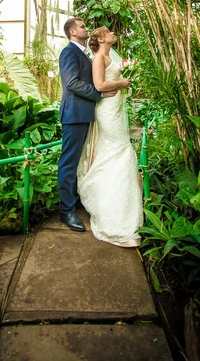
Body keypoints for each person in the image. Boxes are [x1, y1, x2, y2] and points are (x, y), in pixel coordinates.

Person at [77, 26, 143, 247]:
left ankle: (122, 208)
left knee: (118, 152)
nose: (114, 34)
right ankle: (114, 217)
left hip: (116, 107)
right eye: (109, 32)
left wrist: (126, 76)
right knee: (120, 151)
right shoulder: (98, 58)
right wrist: (121, 83)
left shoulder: (110, 56)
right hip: (106, 110)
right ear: (102, 38)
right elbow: (99, 85)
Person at [58, 18, 124, 231]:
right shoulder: (68, 52)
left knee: (78, 160)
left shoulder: (82, 53)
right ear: (72, 31)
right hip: (74, 114)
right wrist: (99, 93)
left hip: (84, 114)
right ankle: (66, 210)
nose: (86, 28)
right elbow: (71, 83)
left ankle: (74, 200)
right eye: (83, 26)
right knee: (69, 162)